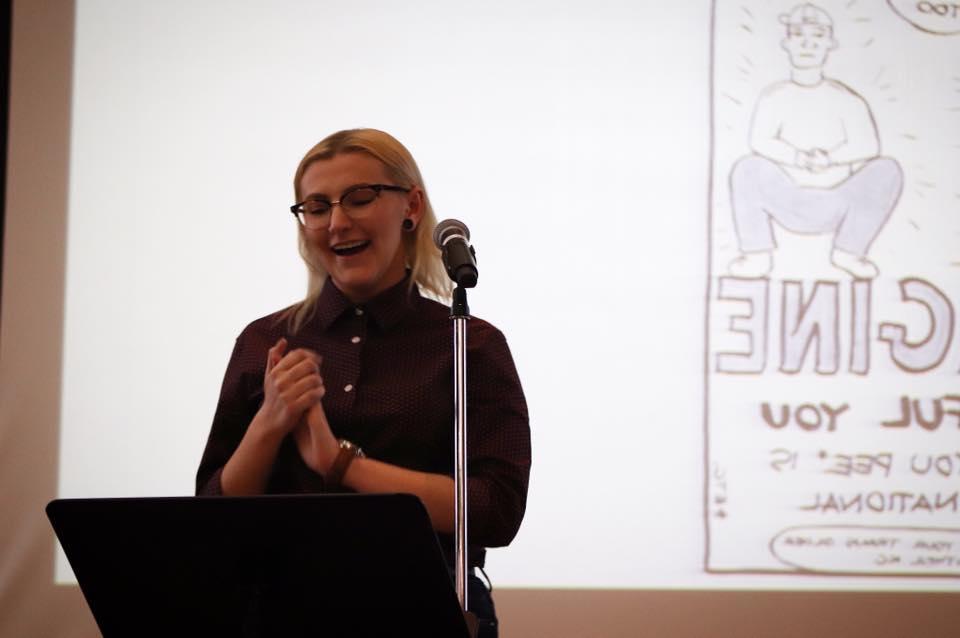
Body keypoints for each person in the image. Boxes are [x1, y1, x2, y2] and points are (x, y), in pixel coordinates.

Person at [196, 128, 531, 637]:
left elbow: (495, 511)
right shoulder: (264, 340)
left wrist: (339, 462)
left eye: (359, 198)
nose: (337, 222)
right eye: (316, 206)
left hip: (423, 610)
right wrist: (270, 422)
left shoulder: (469, 344)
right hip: (278, 614)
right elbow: (211, 518)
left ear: (411, 206)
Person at [728, 2, 902, 280]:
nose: (808, 45)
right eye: (799, 36)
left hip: (837, 200)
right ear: (786, 43)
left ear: (830, 44)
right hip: (787, 198)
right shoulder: (774, 96)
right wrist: (798, 158)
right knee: (746, 168)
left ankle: (850, 250)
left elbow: (869, 145)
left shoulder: (847, 100)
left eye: (817, 37)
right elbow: (759, 140)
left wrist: (829, 158)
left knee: (887, 169)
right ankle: (757, 254)